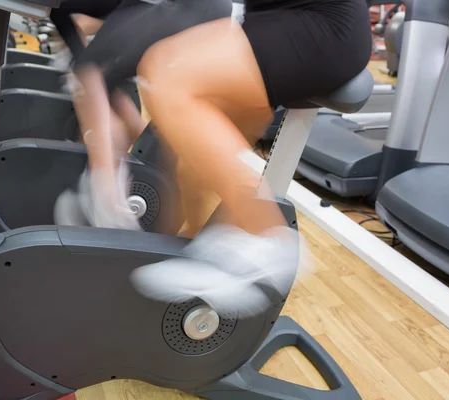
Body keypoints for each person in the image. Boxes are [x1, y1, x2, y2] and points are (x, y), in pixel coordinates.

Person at [61, 0, 373, 317]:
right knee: (190, 164)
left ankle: (264, 236)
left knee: (169, 71)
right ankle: (182, 264)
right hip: (275, 21)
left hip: (323, 26)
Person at [51, 0, 233, 230]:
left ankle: (106, 196)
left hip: (193, 10)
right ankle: (135, 164)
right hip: (200, 12)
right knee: (101, 78)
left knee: (90, 71)